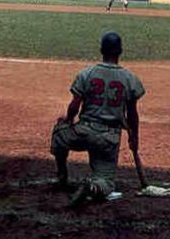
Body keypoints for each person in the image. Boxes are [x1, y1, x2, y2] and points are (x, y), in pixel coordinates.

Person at [50, 31, 145, 207]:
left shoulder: (87, 73)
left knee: (58, 133)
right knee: (106, 183)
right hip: (108, 138)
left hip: (83, 131)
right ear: (120, 52)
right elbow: (132, 114)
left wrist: (68, 120)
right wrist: (134, 136)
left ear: (101, 50)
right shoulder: (130, 79)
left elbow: (74, 106)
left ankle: (62, 177)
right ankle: (93, 188)